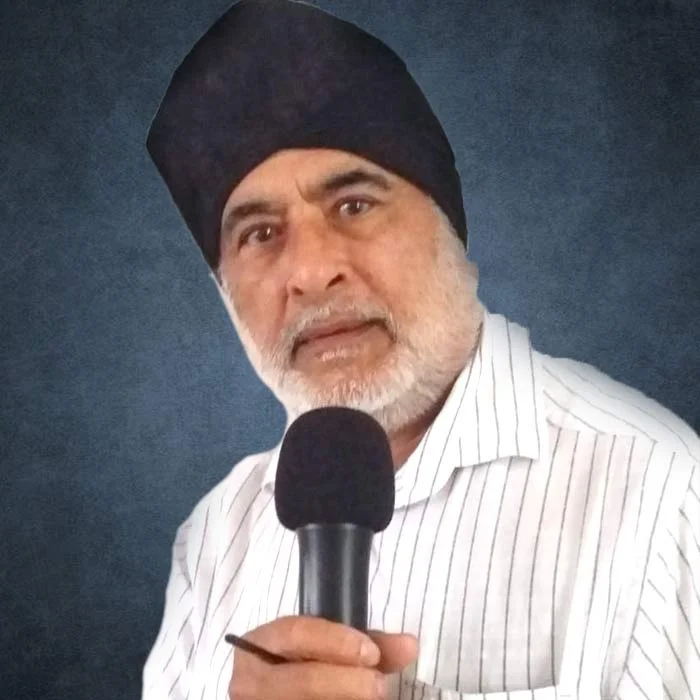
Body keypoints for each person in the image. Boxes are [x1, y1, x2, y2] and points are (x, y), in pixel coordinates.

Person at [142, 1, 700, 698]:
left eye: (353, 205)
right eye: (259, 234)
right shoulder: (215, 539)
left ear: (448, 226)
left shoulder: (658, 489)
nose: (310, 271)